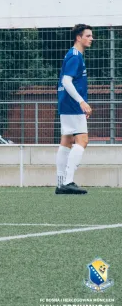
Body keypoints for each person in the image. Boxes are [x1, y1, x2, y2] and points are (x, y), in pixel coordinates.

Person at [55, 24, 93, 195]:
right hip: (72, 104)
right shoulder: (75, 56)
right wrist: (81, 102)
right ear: (79, 37)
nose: (91, 39)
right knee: (82, 140)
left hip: (66, 103)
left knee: (67, 140)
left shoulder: (73, 55)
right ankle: (68, 182)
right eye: (88, 35)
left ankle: (60, 183)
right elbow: (66, 81)